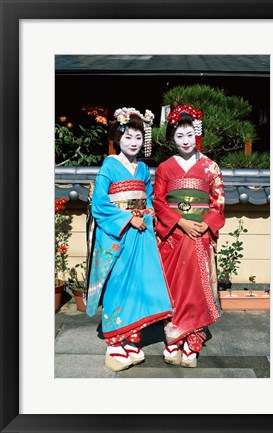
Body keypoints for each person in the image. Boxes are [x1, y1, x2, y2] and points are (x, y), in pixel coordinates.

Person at [85, 107, 173, 372]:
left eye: (138, 137)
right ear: (117, 139)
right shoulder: (109, 166)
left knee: (139, 283)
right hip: (118, 234)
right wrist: (127, 219)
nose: (133, 143)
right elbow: (100, 204)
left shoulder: (143, 168)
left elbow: (148, 196)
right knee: (117, 283)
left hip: (140, 232)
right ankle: (114, 342)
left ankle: (133, 338)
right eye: (128, 138)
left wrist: (147, 215)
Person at [153, 104, 226, 368]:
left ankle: (193, 341)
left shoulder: (210, 167)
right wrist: (181, 222)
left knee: (195, 287)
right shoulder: (164, 168)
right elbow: (159, 202)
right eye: (179, 136)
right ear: (172, 139)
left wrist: (205, 225)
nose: (185, 141)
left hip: (200, 235)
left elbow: (218, 202)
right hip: (173, 235)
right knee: (172, 286)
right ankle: (173, 338)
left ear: (197, 134)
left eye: (189, 135)